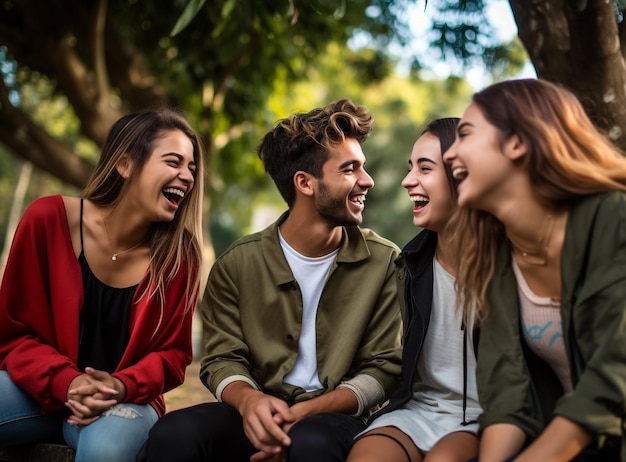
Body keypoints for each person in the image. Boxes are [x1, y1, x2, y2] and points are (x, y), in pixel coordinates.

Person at [138, 99, 403, 462]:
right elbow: (221, 359)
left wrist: (304, 414)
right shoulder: (237, 264)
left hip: (338, 420)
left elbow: (383, 367)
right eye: (350, 169)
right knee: (173, 434)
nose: (366, 180)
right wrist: (252, 403)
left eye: (364, 167)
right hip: (254, 413)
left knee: (311, 443)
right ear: (305, 183)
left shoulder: (386, 261)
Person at [0, 108, 204, 462]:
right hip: (38, 390)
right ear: (125, 164)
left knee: (107, 451)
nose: (186, 176)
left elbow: (173, 356)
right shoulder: (47, 220)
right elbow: (13, 334)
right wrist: (69, 382)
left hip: (126, 401)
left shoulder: (180, 255)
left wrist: (120, 385)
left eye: (191, 168)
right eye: (174, 162)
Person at [442, 78, 626, 461]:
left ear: (517, 142)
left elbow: (615, 374)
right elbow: (505, 390)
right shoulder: (493, 252)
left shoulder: (614, 218)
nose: (449, 154)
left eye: (466, 134)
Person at [346, 117, 481, 462]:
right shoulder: (410, 264)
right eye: (411, 168)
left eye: (425, 168)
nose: (408, 181)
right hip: (419, 410)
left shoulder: (509, 264)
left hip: (487, 417)